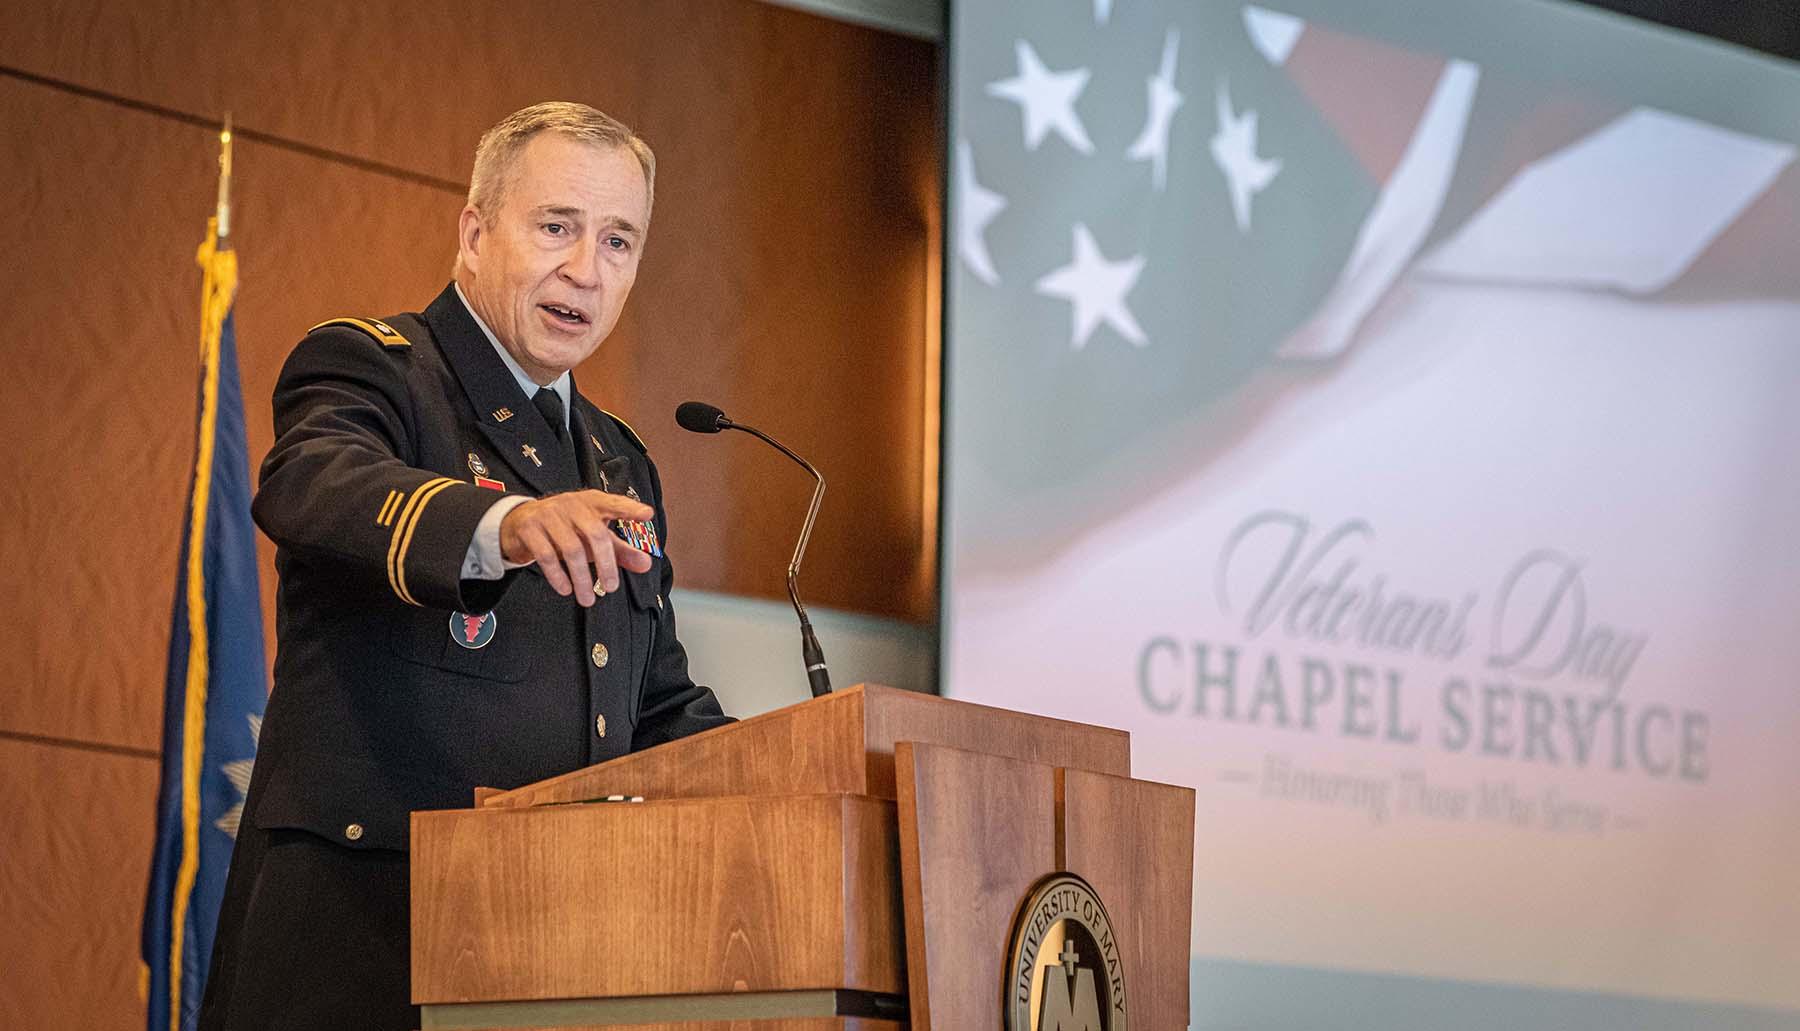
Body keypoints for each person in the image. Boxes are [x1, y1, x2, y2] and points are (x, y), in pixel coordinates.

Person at [198, 102, 732, 1031]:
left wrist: (803, 775)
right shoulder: (371, 367)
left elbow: (652, 702)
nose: (585, 271)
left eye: (618, 242)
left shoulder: (618, 457)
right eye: (557, 227)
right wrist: (507, 523)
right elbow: (309, 483)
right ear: (475, 233)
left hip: (545, 956)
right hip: (356, 940)